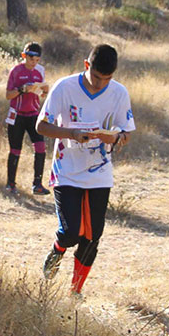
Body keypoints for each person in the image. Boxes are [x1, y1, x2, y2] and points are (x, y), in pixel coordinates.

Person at [37, 44, 135, 295]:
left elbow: (126, 133)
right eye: (96, 77)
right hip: (67, 169)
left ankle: (75, 292)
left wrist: (114, 138)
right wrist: (72, 133)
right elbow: (41, 126)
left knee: (92, 237)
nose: (101, 84)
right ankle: (57, 250)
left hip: (100, 174)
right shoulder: (64, 87)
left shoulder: (119, 93)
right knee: (70, 233)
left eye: (108, 79)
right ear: (86, 65)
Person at [4, 42, 50, 195]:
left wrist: (44, 91)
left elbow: (42, 95)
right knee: (15, 150)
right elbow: (8, 95)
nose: (34, 62)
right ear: (24, 55)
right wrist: (22, 90)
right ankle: (10, 184)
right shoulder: (16, 71)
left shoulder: (39, 72)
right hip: (17, 115)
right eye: (31, 58)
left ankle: (37, 184)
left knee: (41, 148)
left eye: (37, 60)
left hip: (33, 115)